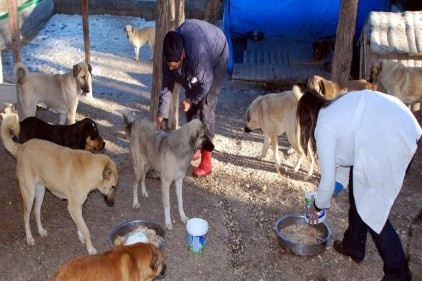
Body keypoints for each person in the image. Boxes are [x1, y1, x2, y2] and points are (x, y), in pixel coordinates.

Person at [296, 89, 421, 281]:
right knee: (360, 191)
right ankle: (354, 244)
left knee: (373, 211)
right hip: (401, 123)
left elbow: (327, 182)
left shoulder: (324, 126)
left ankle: (399, 273)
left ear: (306, 118)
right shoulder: (336, 110)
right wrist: (333, 191)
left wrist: (316, 206)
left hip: (391, 140)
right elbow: (347, 162)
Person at [155, 19, 229, 177]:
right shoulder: (168, 53)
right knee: (191, 107)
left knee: (206, 107)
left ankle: (207, 159)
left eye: (174, 66)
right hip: (196, 61)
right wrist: (161, 114)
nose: (170, 68)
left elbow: (206, 82)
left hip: (217, 56)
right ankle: (196, 144)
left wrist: (191, 100)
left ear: (182, 56)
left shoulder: (198, 54)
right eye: (169, 64)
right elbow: (167, 85)